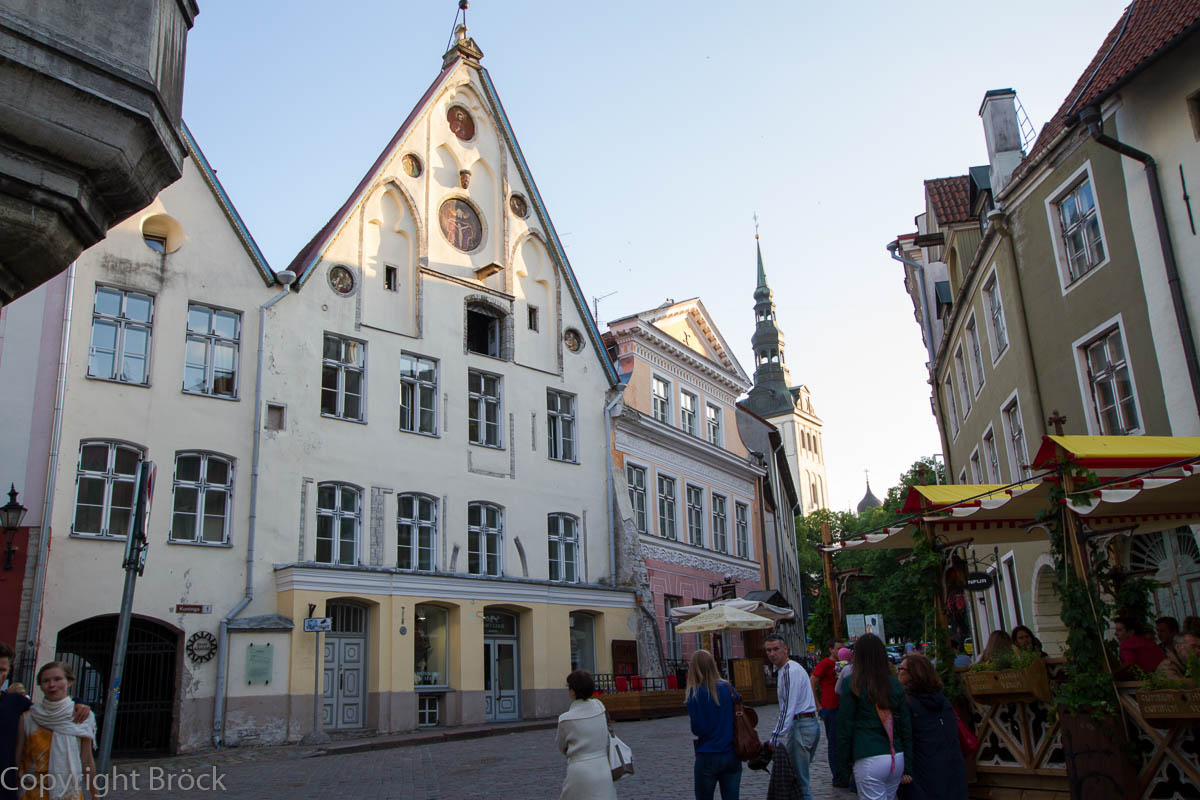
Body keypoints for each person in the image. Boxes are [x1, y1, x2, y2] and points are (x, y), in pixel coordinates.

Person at [836, 634, 912, 800]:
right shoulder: (894, 684)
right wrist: (908, 765)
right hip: (895, 756)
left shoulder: (852, 684)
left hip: (868, 754)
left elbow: (844, 728)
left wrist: (843, 766)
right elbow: (906, 726)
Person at [15, 661, 98, 800]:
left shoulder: (83, 716)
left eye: (57, 679)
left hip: (69, 792)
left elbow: (87, 760)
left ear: (69, 682)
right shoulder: (28, 717)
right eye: (46, 681)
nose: (52, 685)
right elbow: (18, 757)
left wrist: (95, 795)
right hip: (32, 793)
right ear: (41, 686)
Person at [897, 653, 967, 800]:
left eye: (901, 669)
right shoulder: (942, 700)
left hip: (923, 769)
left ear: (913, 673)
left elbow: (903, 737)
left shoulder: (907, 703)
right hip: (951, 768)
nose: (898, 671)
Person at [763, 633, 820, 800]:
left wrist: (775, 737)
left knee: (800, 784)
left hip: (801, 726)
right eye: (768, 650)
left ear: (785, 649)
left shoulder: (789, 671)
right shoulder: (790, 668)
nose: (772, 654)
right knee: (798, 779)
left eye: (776, 649)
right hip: (808, 725)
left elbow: (788, 708)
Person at [685, 649, 742, 800]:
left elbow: (697, 729)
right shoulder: (728, 688)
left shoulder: (694, 693)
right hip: (731, 753)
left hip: (707, 754)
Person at [555, 670, 617, 800]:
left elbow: (561, 746)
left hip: (579, 771)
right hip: (603, 767)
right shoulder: (600, 707)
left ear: (572, 691)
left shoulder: (566, 719)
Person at [810, 640, 847, 788]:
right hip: (830, 706)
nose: (840, 651)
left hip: (841, 706)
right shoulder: (825, 663)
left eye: (842, 648)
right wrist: (818, 705)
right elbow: (813, 680)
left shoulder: (844, 664)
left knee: (841, 741)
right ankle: (837, 776)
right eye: (838, 649)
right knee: (834, 742)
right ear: (831, 650)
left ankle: (844, 773)